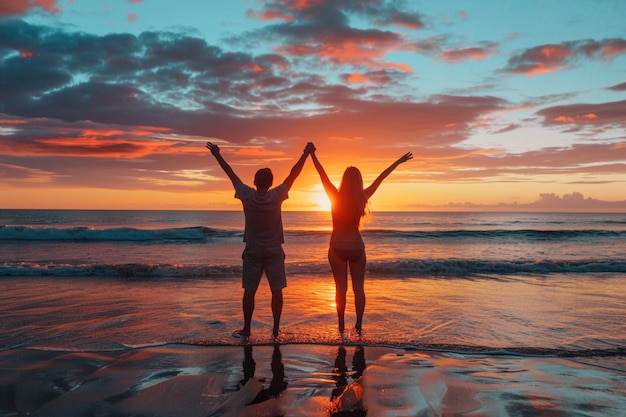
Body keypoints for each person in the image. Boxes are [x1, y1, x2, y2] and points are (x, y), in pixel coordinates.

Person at [206, 141, 314, 338]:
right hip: (273, 249)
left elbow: (230, 173)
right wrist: (305, 154)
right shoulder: (277, 195)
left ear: (255, 182)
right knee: (277, 290)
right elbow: (293, 174)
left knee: (249, 290)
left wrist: (217, 155)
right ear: (271, 183)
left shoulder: (247, 195)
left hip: (253, 249)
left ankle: (247, 329)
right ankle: (275, 329)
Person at [309, 146, 412, 334]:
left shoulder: (335, 196)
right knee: (359, 289)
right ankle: (358, 326)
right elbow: (381, 177)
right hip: (357, 247)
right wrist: (398, 162)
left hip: (337, 247)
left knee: (341, 290)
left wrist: (312, 155)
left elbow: (321, 173)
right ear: (359, 181)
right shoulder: (363, 197)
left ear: (344, 181)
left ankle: (340, 327)